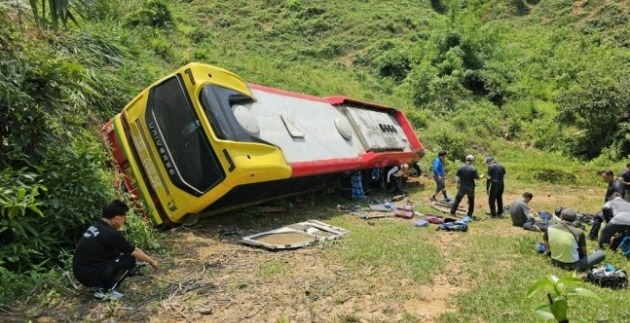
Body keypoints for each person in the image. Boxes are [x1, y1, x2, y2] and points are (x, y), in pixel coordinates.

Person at [73, 200, 159, 300]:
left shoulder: (96, 226)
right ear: (117, 218)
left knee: (117, 253)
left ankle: (99, 285)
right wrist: (152, 261)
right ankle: (106, 290)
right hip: (89, 275)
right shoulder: (111, 233)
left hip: (81, 273)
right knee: (129, 259)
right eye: (124, 218)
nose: (124, 221)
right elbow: (134, 251)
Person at [590, 170, 626, 240]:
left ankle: (594, 237)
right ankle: (593, 237)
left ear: (610, 176)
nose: (603, 179)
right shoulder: (612, 182)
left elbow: (619, 198)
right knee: (599, 219)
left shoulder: (617, 184)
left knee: (599, 219)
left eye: (604, 177)